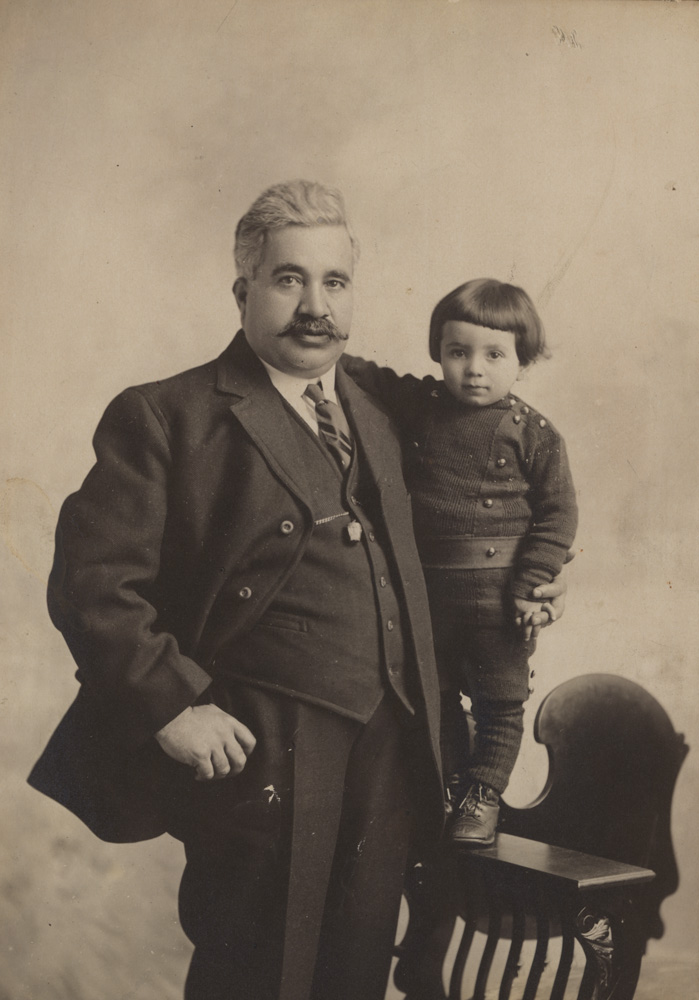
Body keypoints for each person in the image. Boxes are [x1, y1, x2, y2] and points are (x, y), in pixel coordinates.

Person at [29, 183, 566, 1000]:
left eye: (335, 283)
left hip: (392, 740)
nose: (315, 307)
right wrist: (172, 705)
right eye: (288, 280)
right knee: (257, 972)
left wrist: (527, 581)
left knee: (351, 973)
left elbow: (489, 485)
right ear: (243, 290)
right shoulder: (167, 415)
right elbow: (93, 584)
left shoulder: (382, 403)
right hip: (264, 744)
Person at [343, 278, 577, 847]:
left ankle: (483, 793)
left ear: (521, 361)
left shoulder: (537, 434)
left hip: (500, 601)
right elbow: (365, 375)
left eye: (494, 354)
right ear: (438, 353)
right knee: (436, 694)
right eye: (458, 352)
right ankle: (451, 787)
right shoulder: (421, 404)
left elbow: (558, 514)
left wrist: (532, 585)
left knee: (501, 702)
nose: (474, 368)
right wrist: (325, 341)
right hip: (425, 595)